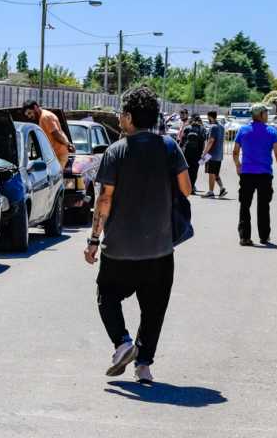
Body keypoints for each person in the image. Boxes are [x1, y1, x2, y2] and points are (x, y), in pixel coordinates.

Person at [85, 86, 191, 384]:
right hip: (160, 248)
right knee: (154, 309)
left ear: (129, 117)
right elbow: (186, 189)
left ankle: (122, 343)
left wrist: (93, 240)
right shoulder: (170, 147)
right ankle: (143, 365)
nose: (119, 118)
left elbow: (104, 200)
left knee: (107, 296)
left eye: (122, 113)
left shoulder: (115, 151)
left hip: (119, 248)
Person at [233, 103, 277, 246]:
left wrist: (238, 165)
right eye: (266, 113)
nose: (267, 115)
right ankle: (264, 236)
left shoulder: (243, 131)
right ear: (261, 114)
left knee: (245, 205)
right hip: (264, 174)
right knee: (263, 206)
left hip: (246, 173)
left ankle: (244, 237)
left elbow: (235, 151)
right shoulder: (272, 131)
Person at [23, 100, 72, 167]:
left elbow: (56, 134)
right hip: (54, 155)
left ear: (35, 107)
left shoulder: (45, 117)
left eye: (29, 113)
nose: (29, 116)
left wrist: (68, 144)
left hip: (59, 154)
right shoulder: (42, 117)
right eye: (27, 115)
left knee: (56, 176)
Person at [201, 111, 228, 198]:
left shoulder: (213, 127)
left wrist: (204, 153)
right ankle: (222, 188)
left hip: (211, 154)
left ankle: (210, 192)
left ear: (210, 117)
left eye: (208, 117)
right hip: (219, 154)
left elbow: (210, 141)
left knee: (211, 173)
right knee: (215, 173)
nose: (208, 119)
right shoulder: (222, 127)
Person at [180, 113, 207, 192]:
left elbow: (182, 140)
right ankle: (191, 188)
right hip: (197, 153)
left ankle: (184, 187)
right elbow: (203, 141)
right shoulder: (202, 129)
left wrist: (181, 149)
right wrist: (202, 153)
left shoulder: (187, 128)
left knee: (186, 170)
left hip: (187, 152)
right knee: (194, 171)